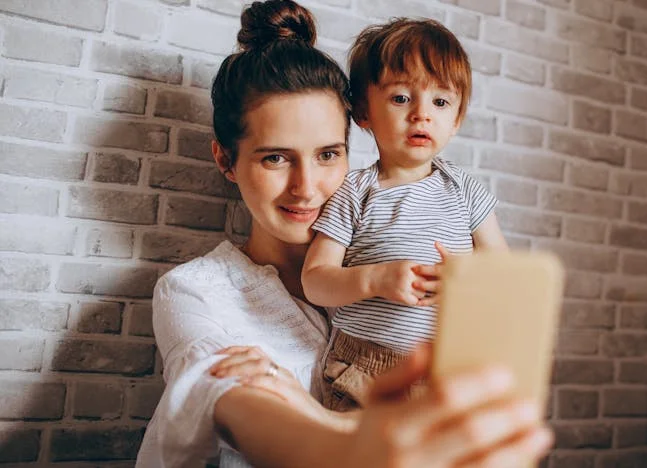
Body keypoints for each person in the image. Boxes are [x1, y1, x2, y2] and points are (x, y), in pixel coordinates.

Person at [136, 1, 552, 467]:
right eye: (275, 157)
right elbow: (228, 399)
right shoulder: (195, 293)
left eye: (329, 154)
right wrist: (335, 439)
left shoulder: (441, 207)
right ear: (225, 160)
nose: (307, 187)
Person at [301, 18, 508, 411]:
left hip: (449, 367)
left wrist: (466, 282)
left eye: (440, 102)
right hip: (367, 366)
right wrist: (375, 278)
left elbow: (503, 274)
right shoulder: (355, 191)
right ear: (363, 111)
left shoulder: (465, 191)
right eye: (400, 98)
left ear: (457, 118)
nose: (421, 115)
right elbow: (315, 281)